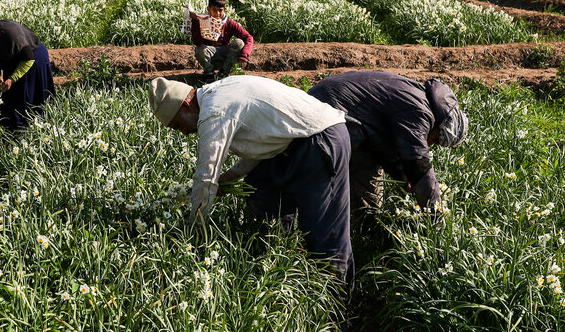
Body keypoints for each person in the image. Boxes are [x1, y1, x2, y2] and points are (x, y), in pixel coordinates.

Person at [147, 74, 355, 294]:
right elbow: (264, 137)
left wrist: (195, 232)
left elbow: (206, 176)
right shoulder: (218, 92)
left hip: (320, 140)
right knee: (262, 189)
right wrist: (231, 176)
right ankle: (282, 265)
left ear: (186, 104)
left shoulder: (214, 111)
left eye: (178, 125)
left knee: (325, 234)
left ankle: (335, 307)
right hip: (297, 142)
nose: (184, 132)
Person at [309, 71, 468, 213]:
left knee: (368, 190)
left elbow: (385, 140)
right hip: (328, 108)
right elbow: (418, 163)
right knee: (318, 182)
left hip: (336, 106)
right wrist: (435, 211)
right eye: (435, 139)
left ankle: (365, 227)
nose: (431, 144)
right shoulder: (419, 111)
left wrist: (401, 172)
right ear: (439, 127)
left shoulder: (420, 98)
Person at [0, 13, 56, 132]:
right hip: (10, 60)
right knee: (6, 96)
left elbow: (29, 58)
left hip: (33, 57)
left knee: (27, 95)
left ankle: (32, 131)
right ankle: (10, 131)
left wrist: (12, 79)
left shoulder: (9, 34)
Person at [184, 0, 254, 83]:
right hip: (210, 57)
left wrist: (244, 55)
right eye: (214, 10)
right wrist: (195, 22)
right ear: (208, 9)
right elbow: (197, 42)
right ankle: (209, 73)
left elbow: (248, 37)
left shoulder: (229, 23)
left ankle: (224, 73)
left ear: (224, 9)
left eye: (220, 10)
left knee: (239, 42)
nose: (217, 14)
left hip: (226, 57)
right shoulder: (202, 21)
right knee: (199, 49)